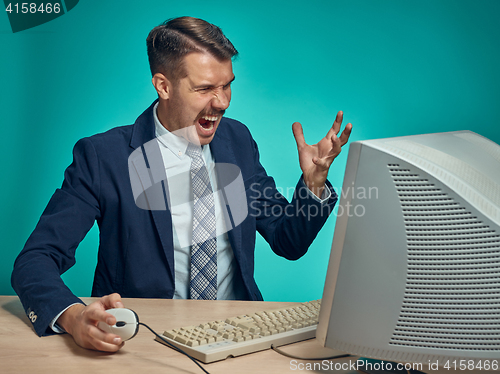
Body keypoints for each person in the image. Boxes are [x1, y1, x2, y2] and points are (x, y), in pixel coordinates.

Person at [11, 16, 352, 353]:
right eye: (205, 88)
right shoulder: (103, 157)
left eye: (227, 85)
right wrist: (73, 317)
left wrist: (313, 184)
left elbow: (287, 241)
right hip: (144, 340)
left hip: (240, 336)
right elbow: (35, 260)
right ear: (163, 86)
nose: (222, 102)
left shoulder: (238, 140)